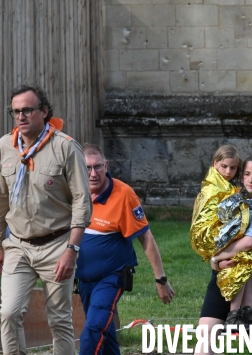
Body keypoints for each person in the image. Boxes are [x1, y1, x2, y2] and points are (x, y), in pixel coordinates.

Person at [0, 85, 92, 355]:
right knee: (9, 314)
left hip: (57, 244)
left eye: (27, 110)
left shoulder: (65, 147)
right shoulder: (3, 147)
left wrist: (72, 250)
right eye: (15, 111)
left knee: (59, 320)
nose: (21, 116)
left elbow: (82, 201)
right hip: (18, 245)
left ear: (44, 112)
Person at [77, 143, 175, 355]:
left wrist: (161, 280)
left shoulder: (124, 195)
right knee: (106, 330)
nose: (93, 173)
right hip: (83, 279)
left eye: (98, 167)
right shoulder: (73, 191)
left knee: (93, 329)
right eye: (87, 168)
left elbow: (146, 238)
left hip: (112, 277)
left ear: (107, 165)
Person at [195, 154, 252, 355]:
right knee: (204, 346)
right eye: (247, 174)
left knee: (249, 348)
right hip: (224, 272)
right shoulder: (232, 198)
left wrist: (216, 258)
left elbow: (248, 243)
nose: (251, 179)